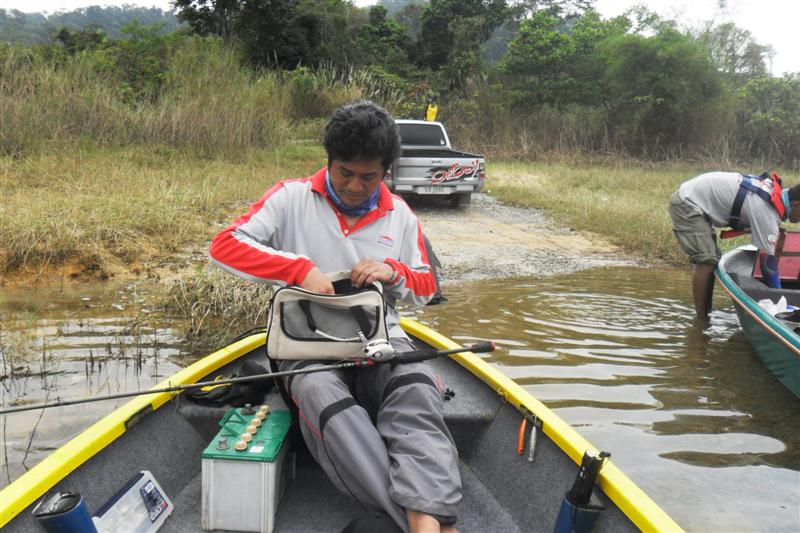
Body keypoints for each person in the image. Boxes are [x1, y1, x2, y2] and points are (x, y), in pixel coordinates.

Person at [209, 100, 461, 533]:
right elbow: (225, 245)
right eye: (345, 172)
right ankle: (424, 524)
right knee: (323, 394)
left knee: (418, 387)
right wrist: (297, 268)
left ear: (385, 172)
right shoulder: (290, 197)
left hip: (382, 338)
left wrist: (393, 271)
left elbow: (427, 287)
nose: (355, 186)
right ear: (328, 161)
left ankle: (422, 520)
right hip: (304, 344)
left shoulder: (400, 214)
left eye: (369, 176)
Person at [668, 171, 800, 319]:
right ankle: (702, 321)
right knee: (706, 261)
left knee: (713, 259)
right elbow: (767, 265)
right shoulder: (767, 212)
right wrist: (782, 300)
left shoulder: (771, 191)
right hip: (688, 202)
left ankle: (706, 312)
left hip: (697, 194)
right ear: (796, 204)